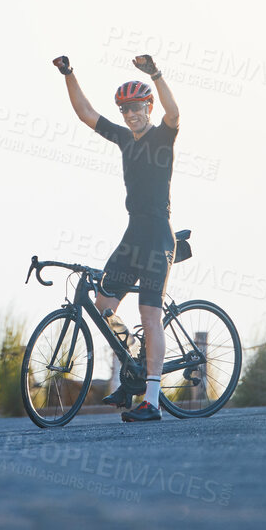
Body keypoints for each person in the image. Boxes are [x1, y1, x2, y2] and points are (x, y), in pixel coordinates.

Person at [52, 51, 179, 422]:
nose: (130, 114)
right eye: (125, 109)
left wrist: (155, 73)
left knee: (149, 314)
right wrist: (69, 73)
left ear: (148, 107)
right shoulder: (125, 139)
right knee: (103, 308)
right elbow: (86, 113)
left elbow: (174, 114)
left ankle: (151, 401)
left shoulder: (162, 137)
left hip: (158, 236)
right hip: (133, 234)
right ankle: (133, 365)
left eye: (137, 107)